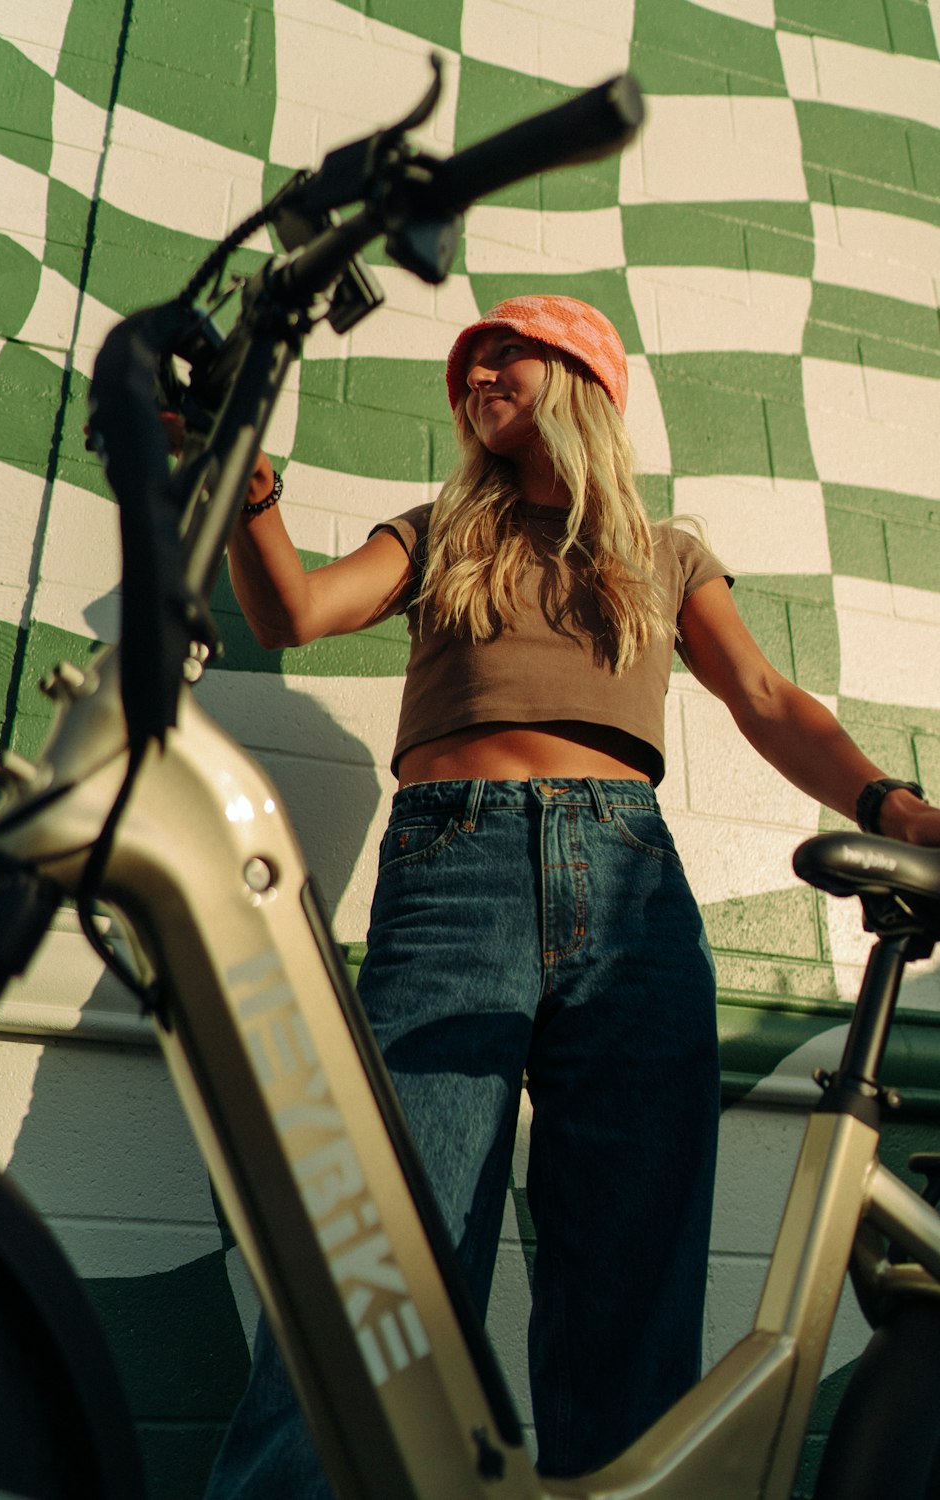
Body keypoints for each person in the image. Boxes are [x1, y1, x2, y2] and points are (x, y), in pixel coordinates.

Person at [204, 294, 940, 1497]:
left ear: (582, 381)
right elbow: (293, 611)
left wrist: (890, 804)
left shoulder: (662, 553)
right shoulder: (443, 529)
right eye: (469, 360)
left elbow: (762, 696)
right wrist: (248, 489)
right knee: (380, 1264)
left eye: (508, 350)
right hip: (456, 878)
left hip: (631, 894)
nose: (479, 369)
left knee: (628, 1286)